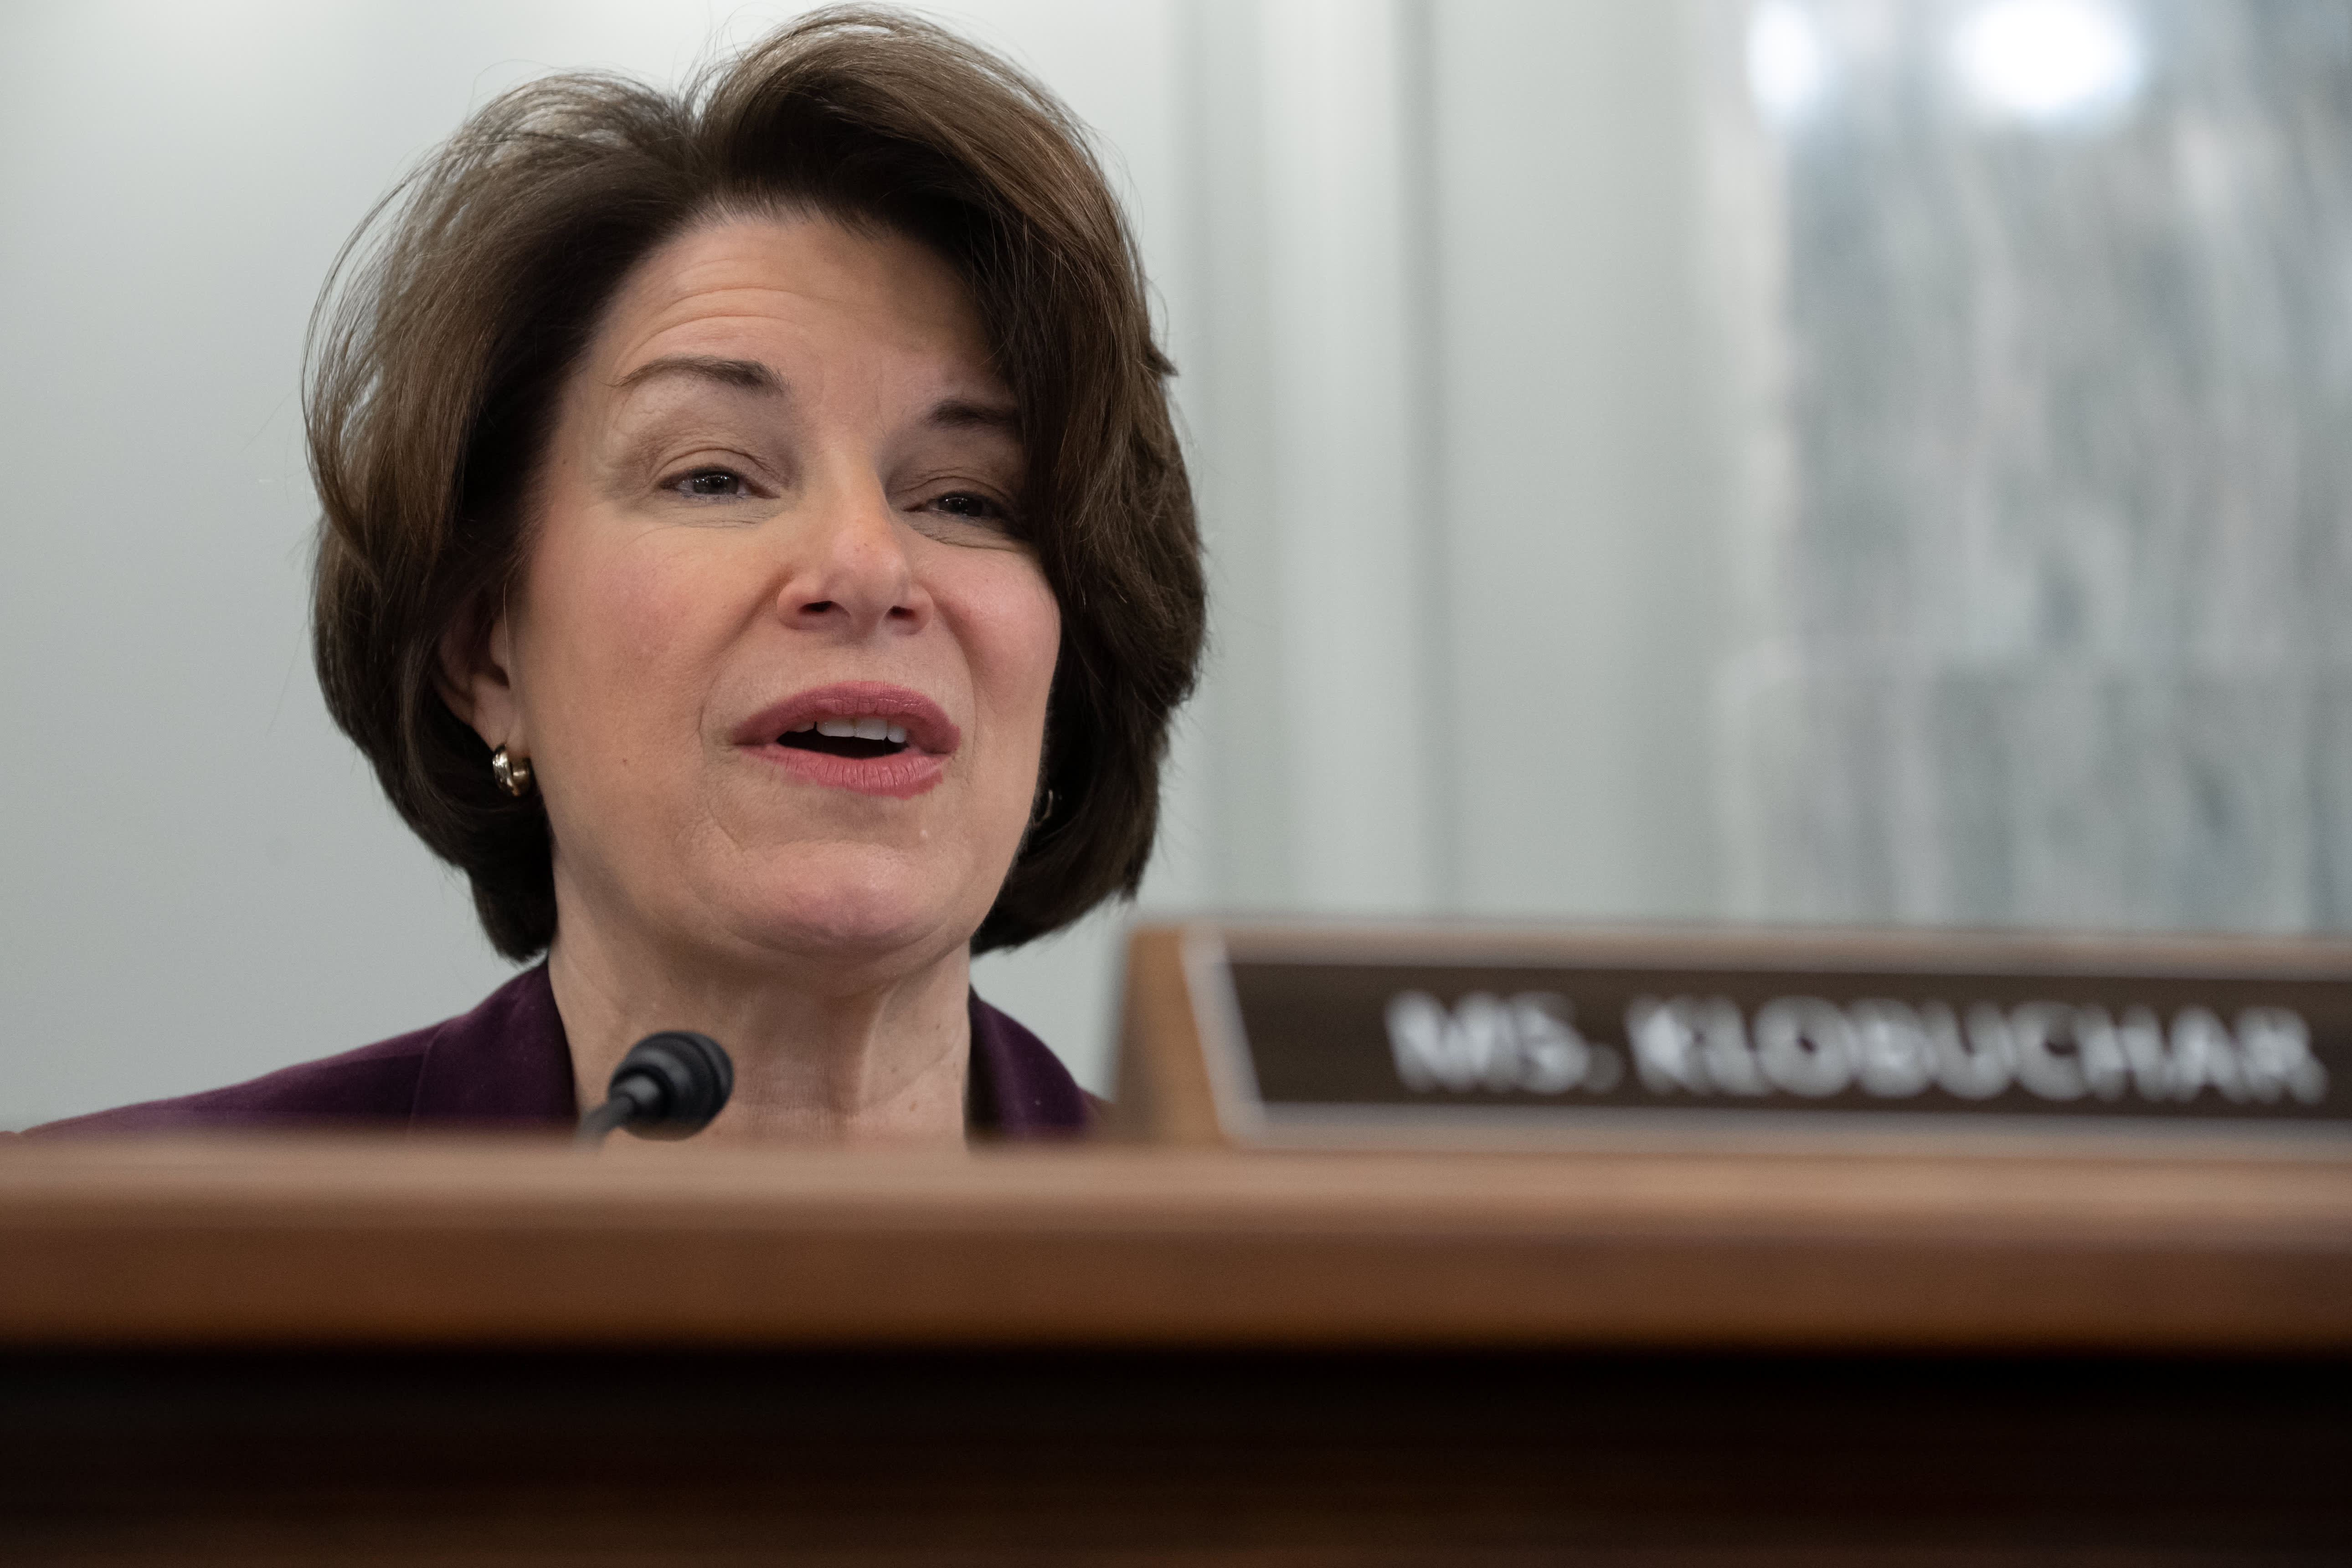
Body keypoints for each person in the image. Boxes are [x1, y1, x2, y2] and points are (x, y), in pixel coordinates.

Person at [27, 7, 1203, 1144]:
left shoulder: (1273, 1267)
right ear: (486, 655)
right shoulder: (86, 1249)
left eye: (965, 500)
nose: (865, 564)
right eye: (714, 477)